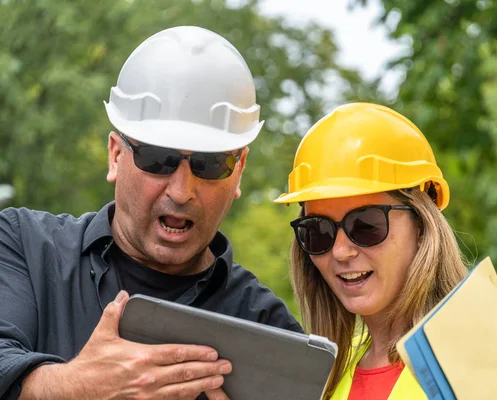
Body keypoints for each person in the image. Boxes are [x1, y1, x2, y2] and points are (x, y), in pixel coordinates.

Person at [0, 26, 302, 400]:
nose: (181, 191)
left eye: (210, 165)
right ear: (115, 155)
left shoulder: (267, 329)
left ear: (239, 171)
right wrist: (77, 387)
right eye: (158, 159)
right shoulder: (23, 248)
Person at [274, 102, 497, 400]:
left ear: (420, 223)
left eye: (366, 225)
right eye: (318, 232)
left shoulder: (489, 339)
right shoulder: (326, 376)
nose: (342, 251)